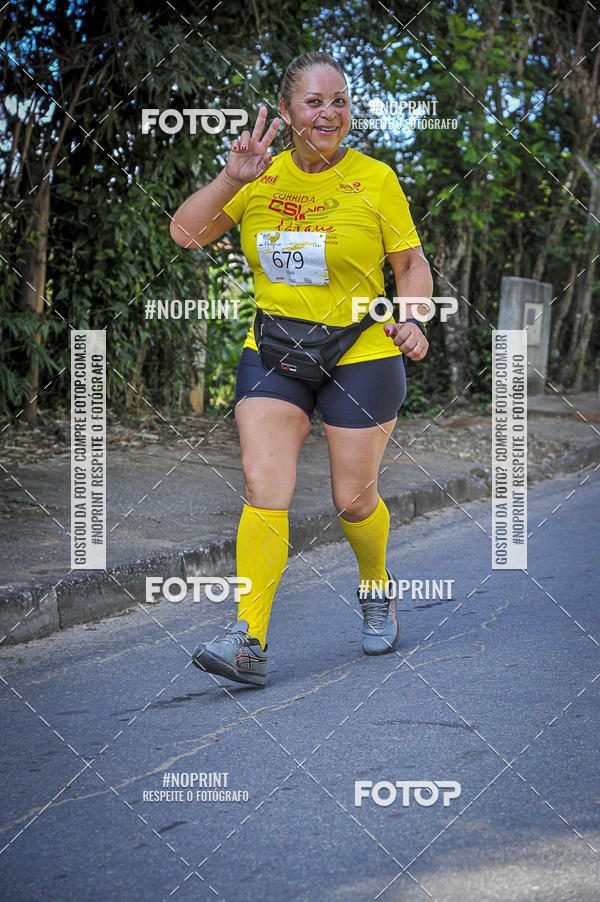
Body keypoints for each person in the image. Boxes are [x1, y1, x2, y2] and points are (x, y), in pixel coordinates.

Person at [170, 51, 432, 688]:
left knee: (353, 500)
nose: (329, 112)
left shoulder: (375, 179)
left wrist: (415, 316)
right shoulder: (257, 176)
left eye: (339, 100)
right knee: (265, 488)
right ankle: (248, 640)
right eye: (314, 102)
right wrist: (232, 179)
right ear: (287, 112)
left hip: (362, 350)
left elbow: (410, 265)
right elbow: (186, 233)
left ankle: (376, 587)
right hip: (276, 351)